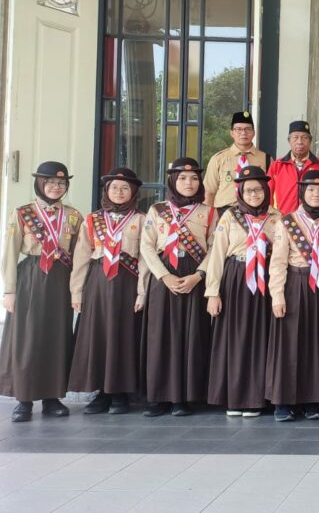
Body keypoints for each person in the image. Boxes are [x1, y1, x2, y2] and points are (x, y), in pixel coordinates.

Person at [0, 162, 82, 422]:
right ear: (39, 184)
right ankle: (23, 399)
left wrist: (77, 289)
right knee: (26, 337)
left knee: (57, 336)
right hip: (31, 276)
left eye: (61, 183)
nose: (56, 187)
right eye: (50, 183)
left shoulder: (73, 215)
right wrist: (9, 290)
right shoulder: (23, 213)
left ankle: (52, 397)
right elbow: (10, 252)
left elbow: (80, 255)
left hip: (61, 277)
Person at [139, 158, 216, 417]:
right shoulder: (157, 210)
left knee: (191, 335)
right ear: (172, 181)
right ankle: (159, 396)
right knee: (160, 335)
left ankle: (183, 397)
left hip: (195, 276)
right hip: (164, 276)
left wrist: (199, 275)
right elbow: (147, 246)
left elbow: (215, 248)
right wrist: (164, 276)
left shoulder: (209, 212)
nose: (188, 183)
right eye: (182, 178)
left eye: (194, 178)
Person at [68, 168, 146, 416]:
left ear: (133, 192)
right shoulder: (92, 220)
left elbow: (145, 258)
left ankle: (121, 392)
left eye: (125, 188)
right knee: (98, 335)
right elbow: (81, 257)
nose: (119, 192)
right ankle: (101, 392)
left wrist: (142, 292)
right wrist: (77, 292)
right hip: (98, 284)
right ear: (106, 191)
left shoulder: (142, 220)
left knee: (124, 335)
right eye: (114, 188)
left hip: (128, 283)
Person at [204, 165, 281, 418]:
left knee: (261, 338)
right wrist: (213, 292)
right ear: (240, 193)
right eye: (248, 191)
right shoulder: (229, 216)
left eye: (258, 189)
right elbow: (217, 254)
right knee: (235, 338)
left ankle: (256, 399)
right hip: (236, 279)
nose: (254, 195)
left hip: (266, 279)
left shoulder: (277, 217)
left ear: (266, 190)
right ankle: (235, 397)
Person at [267, 169, 319, 422]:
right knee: (289, 343)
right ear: (302, 193)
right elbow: (277, 262)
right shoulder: (287, 222)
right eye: (311, 190)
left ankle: (313, 399)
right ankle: (283, 401)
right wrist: (277, 295)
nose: (316, 194)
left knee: (318, 342)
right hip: (294, 283)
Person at [203, 111, 271, 214]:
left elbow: (272, 190)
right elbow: (209, 192)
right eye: (238, 129)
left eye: (248, 129)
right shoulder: (218, 159)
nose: (243, 133)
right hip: (224, 213)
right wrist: (209, 218)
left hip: (256, 213)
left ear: (254, 133)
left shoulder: (266, 159)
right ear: (232, 133)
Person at [267, 120, 319, 214]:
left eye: (304, 138)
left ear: (310, 141)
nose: (300, 142)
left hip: (313, 219)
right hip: (284, 218)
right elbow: (267, 193)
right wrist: (272, 216)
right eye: (295, 137)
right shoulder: (277, 166)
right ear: (289, 141)